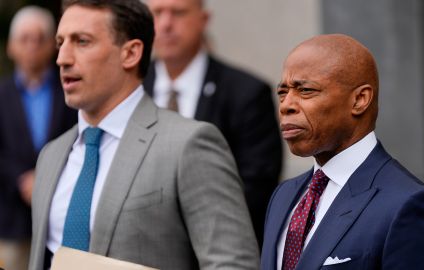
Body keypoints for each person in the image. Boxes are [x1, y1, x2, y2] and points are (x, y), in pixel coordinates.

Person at [28, 1, 259, 270]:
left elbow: (233, 263)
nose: (62, 58)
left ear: (131, 53)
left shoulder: (188, 145)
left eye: (82, 41)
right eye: (60, 42)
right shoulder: (51, 155)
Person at [261, 34, 424, 269]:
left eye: (305, 90)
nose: (286, 105)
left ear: (360, 99)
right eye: (282, 92)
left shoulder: (409, 206)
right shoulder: (283, 196)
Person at [142, 0, 283, 245]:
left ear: (203, 20)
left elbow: (257, 185)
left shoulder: (246, 92)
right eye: (157, 13)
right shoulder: (129, 90)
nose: (165, 24)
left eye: (177, 13)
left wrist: (179, 231)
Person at [0, 6, 77, 270]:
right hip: (10, 220)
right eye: (25, 39)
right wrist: (22, 180)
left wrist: (44, 179)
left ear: (52, 46)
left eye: (40, 38)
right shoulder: (1, 95)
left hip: (60, 219)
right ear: (11, 46)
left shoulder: (71, 90)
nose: (32, 45)